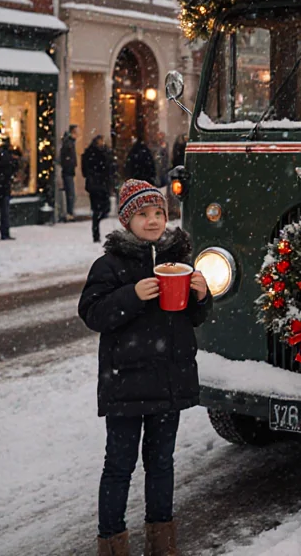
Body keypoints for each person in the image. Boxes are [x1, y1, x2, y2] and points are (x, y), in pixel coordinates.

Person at [79, 180, 209, 556]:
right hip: (126, 385)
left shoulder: (180, 260)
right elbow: (92, 312)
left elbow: (195, 318)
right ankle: (112, 542)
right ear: (126, 221)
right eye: (142, 214)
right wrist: (132, 295)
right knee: (119, 466)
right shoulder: (110, 265)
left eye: (158, 213)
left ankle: (162, 542)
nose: (152, 221)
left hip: (169, 382)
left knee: (161, 464)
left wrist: (201, 295)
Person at [83, 135, 116, 243]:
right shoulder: (96, 154)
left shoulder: (98, 153)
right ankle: (96, 233)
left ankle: (96, 231)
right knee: (98, 210)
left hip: (99, 185)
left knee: (102, 209)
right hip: (98, 185)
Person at [60, 125, 79, 222]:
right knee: (70, 193)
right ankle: (69, 213)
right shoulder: (68, 143)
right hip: (68, 171)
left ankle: (70, 212)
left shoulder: (70, 142)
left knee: (70, 193)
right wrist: (69, 166)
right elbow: (65, 157)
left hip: (69, 171)